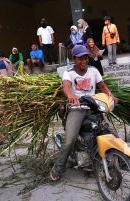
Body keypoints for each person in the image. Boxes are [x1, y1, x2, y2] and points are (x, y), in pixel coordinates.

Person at [50, 45, 118, 181]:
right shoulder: (69, 73)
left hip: (93, 108)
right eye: (80, 58)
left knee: (112, 134)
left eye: (86, 58)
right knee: (70, 140)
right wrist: (71, 96)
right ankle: (58, 168)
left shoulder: (93, 70)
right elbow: (66, 86)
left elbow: (103, 87)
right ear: (73, 59)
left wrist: (112, 97)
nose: (84, 61)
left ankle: (120, 162)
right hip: (77, 109)